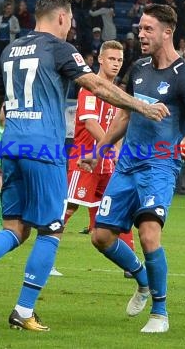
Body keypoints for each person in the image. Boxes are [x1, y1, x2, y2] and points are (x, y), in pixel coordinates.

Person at [0, 0, 168, 331]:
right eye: (71, 21)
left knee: (15, 229)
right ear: (62, 17)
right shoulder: (59, 49)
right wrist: (140, 106)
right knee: (52, 229)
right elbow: (95, 85)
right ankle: (23, 311)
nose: (71, 27)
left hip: (11, 149)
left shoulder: (9, 51)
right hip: (43, 150)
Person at [83, 4, 185, 333]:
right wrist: (101, 149)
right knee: (101, 237)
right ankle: (141, 278)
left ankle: (160, 313)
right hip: (126, 165)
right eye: (140, 29)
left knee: (149, 234)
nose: (140, 34)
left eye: (147, 29)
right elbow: (124, 113)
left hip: (159, 167)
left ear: (167, 33)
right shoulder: (138, 69)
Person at [64, 40, 135, 272]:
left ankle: (130, 262)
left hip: (106, 164)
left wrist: (119, 152)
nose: (116, 64)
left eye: (119, 60)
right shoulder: (89, 88)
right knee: (68, 207)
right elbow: (91, 123)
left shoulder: (117, 93)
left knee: (118, 207)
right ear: (101, 59)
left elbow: (119, 126)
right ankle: (45, 252)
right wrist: (112, 149)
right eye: (112, 59)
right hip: (85, 160)